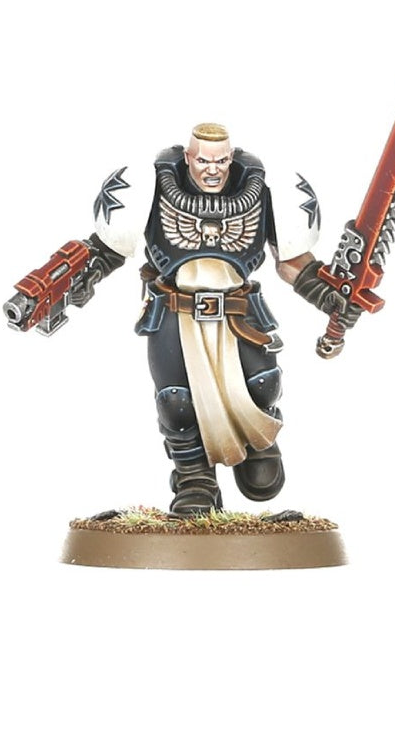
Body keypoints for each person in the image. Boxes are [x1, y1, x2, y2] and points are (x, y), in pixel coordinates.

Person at [75, 123, 356, 515]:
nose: (212, 169)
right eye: (203, 160)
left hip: (238, 308)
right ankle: (194, 480)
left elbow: (292, 261)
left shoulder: (263, 191)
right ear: (188, 157)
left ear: (231, 158)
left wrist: (327, 294)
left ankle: (258, 439)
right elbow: (108, 249)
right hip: (175, 309)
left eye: (221, 161)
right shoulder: (151, 187)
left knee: (263, 383)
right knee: (176, 402)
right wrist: (77, 278)